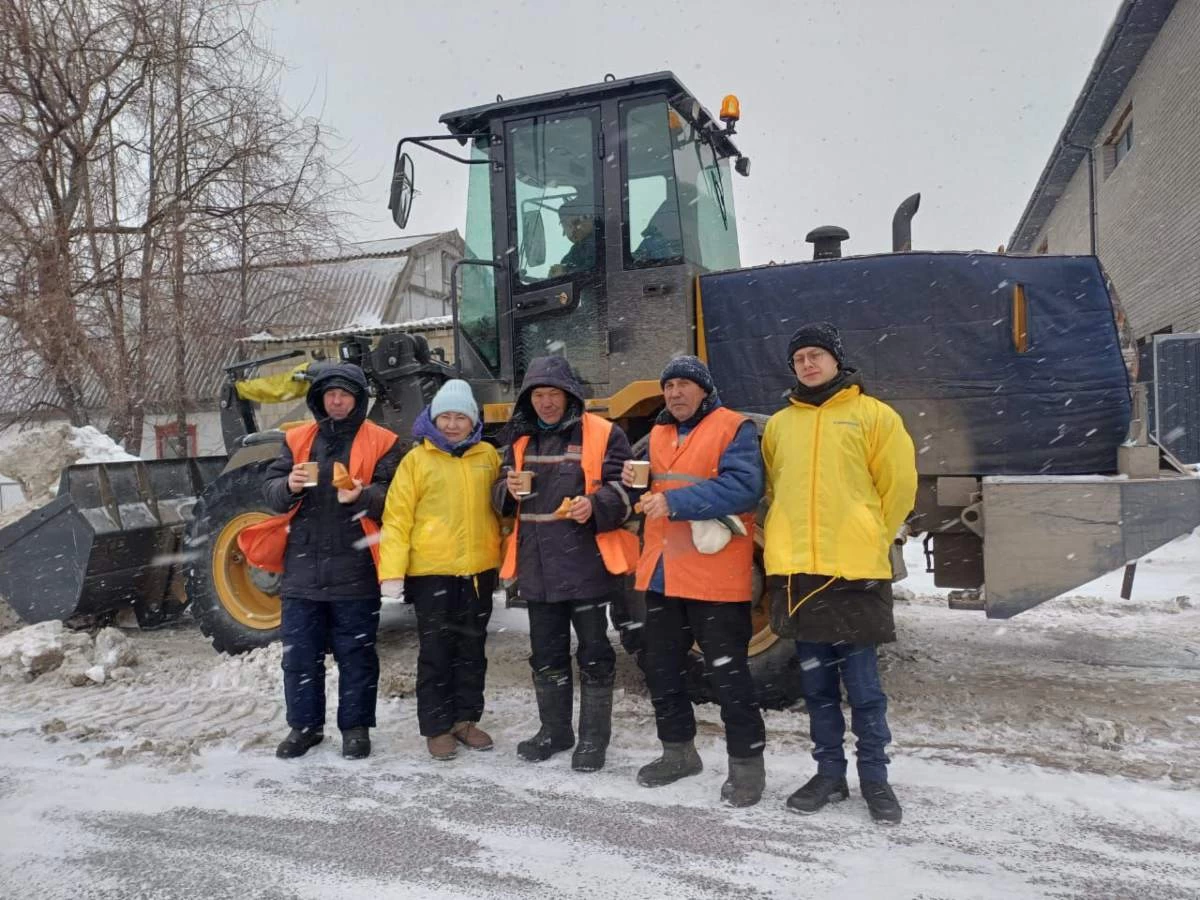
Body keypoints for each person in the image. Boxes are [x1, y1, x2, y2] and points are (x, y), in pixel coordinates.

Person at [761, 322, 917, 824]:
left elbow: (898, 488)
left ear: (836, 360)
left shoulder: (875, 417)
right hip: (800, 574)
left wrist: (870, 534)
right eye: (799, 358)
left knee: (865, 690)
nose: (807, 364)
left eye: (815, 356)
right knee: (818, 689)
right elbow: (774, 486)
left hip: (853, 573)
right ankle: (829, 775)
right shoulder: (780, 425)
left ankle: (875, 779)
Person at [622, 356, 767, 808]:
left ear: (704, 390)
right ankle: (678, 753)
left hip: (714, 576)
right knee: (660, 669)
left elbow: (744, 488)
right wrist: (632, 483)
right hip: (664, 572)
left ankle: (747, 769)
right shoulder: (660, 433)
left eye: (684, 385)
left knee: (729, 677)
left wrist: (677, 502)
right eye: (668, 387)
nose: (675, 394)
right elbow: (649, 493)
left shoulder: (733, 427)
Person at [241, 363, 402, 761]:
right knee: (299, 657)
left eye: (345, 393)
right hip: (302, 568)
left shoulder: (384, 441)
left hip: (356, 566)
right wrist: (289, 485)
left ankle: (356, 729)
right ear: (318, 398)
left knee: (357, 656)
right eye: (329, 393)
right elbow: (271, 493)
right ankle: (304, 728)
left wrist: (363, 496)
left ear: (359, 398)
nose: (337, 400)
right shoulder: (296, 439)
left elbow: (397, 497)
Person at [491, 355, 637, 772]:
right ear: (529, 399)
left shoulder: (605, 433)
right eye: (538, 395)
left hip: (586, 568)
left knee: (594, 655)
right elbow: (497, 491)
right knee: (546, 655)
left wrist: (595, 505)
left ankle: (593, 739)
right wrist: (508, 491)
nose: (547, 403)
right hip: (537, 569)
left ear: (569, 395)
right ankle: (554, 731)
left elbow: (625, 491)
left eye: (554, 393)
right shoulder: (519, 440)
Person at [377, 380, 501, 761]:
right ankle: (435, 726)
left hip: (479, 571)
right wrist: (392, 573)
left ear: (473, 420)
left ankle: (465, 719)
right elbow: (397, 519)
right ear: (433, 419)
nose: (451, 424)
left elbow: (504, 514)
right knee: (436, 652)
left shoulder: (488, 456)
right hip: (432, 574)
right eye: (444, 416)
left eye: (459, 417)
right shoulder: (416, 461)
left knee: (472, 650)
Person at [547, 200, 597, 278]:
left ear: (589, 218)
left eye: (576, 222)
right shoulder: (576, 250)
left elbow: (593, 271)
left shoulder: (599, 241)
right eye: (566, 225)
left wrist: (566, 272)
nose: (572, 230)